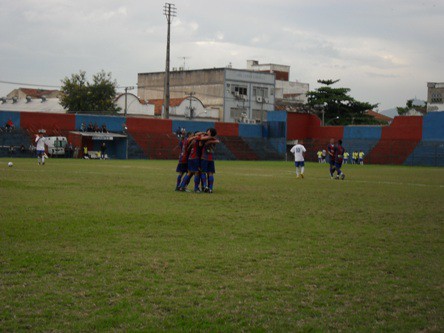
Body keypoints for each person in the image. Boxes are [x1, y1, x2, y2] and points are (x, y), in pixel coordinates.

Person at [200, 128, 219, 193]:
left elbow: (201, 139)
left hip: (205, 157)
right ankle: (210, 188)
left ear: (210, 132)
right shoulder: (214, 139)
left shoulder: (206, 138)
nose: (206, 131)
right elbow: (217, 141)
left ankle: (205, 186)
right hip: (211, 158)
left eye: (208, 130)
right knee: (210, 173)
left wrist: (208, 140)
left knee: (203, 172)